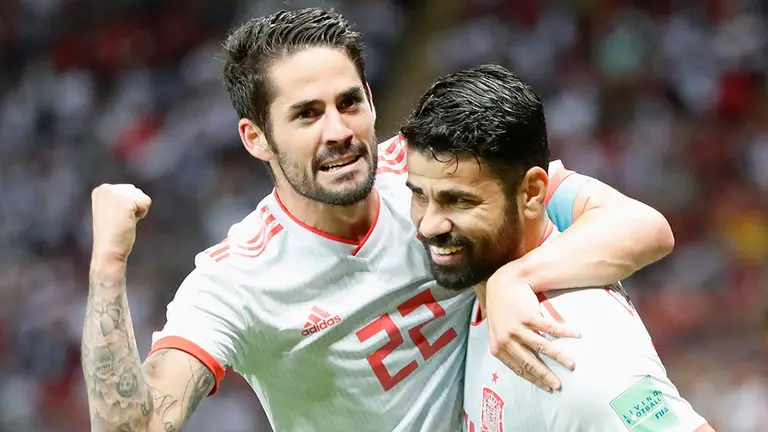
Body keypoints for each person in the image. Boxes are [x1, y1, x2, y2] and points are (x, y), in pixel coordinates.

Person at [82, 8, 675, 432]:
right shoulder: (234, 283)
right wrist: (107, 266)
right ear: (256, 138)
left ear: (370, 97)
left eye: (349, 102)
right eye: (307, 114)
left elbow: (641, 227)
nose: (338, 131)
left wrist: (513, 279)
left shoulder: (432, 179)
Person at [401, 63, 714, 432]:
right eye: (420, 196)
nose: (430, 224)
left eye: (459, 201)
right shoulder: (491, 277)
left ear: (533, 193)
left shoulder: (572, 352)